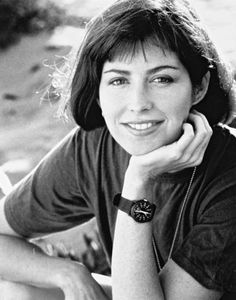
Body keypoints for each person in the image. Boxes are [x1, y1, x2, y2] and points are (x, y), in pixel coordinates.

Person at [0, 0, 236, 299]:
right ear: (97, 92)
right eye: (119, 80)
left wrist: (139, 178)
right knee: (20, 289)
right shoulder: (95, 145)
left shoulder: (229, 180)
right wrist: (67, 272)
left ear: (198, 87)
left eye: (161, 79)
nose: (138, 103)